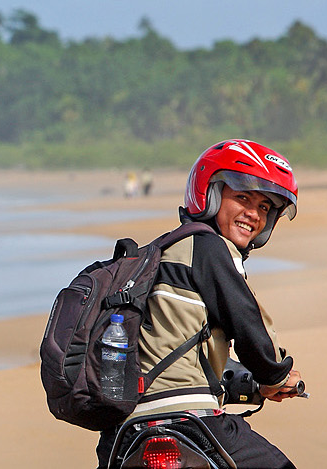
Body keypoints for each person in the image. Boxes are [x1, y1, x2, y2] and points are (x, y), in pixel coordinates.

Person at [96, 139, 305, 469]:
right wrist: (276, 376)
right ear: (210, 194)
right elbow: (250, 327)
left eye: (265, 207)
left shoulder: (159, 255)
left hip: (122, 430)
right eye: (243, 197)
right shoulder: (209, 247)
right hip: (188, 418)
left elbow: (175, 340)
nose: (253, 213)